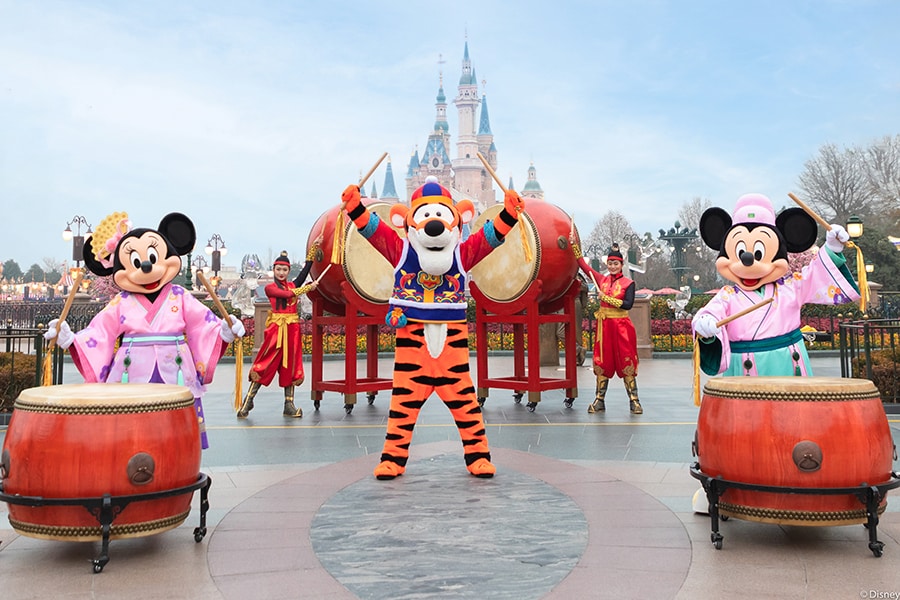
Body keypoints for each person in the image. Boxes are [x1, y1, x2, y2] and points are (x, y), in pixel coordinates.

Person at [341, 175, 524, 479]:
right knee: (403, 403)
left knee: (465, 402)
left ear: (457, 220)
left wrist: (508, 215)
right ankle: (393, 459)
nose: (434, 225)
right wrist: (355, 207)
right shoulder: (401, 251)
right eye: (425, 216)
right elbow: (375, 233)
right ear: (409, 222)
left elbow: (488, 239)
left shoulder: (462, 255)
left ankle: (478, 456)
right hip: (411, 338)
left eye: (441, 216)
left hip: (452, 343)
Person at [44, 211, 244, 449]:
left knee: (176, 430)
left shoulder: (180, 297)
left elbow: (202, 324)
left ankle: (179, 467)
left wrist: (222, 331)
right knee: (133, 428)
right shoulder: (122, 301)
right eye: (136, 262)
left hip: (175, 367)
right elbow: (100, 332)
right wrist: (71, 339)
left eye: (152, 257)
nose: (147, 267)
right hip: (132, 369)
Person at [238, 242, 320, 419]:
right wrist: (308, 288)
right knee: (265, 363)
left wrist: (314, 249)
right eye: (278, 269)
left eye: (284, 269)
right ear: (274, 270)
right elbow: (288, 295)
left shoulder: (292, 284)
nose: (281, 272)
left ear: (288, 271)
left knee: (290, 365)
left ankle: (289, 404)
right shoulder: (270, 288)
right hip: (277, 330)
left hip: (292, 330)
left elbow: (305, 271)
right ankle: (248, 401)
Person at [570, 240, 642, 414]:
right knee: (603, 361)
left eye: (615, 263)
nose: (612, 266)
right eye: (610, 263)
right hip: (605, 327)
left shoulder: (628, 284)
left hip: (622, 328)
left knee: (627, 360)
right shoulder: (601, 279)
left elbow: (627, 304)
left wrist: (606, 298)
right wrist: (574, 245)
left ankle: (634, 400)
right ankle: (599, 400)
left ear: (621, 264)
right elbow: (583, 265)